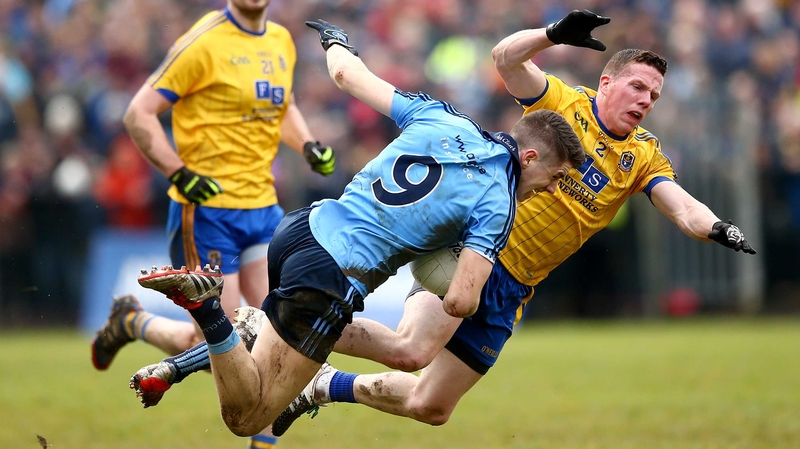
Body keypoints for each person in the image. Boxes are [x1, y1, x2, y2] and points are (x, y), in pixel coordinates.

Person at [260, 10, 756, 434]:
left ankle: (324, 385)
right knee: (410, 351)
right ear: (607, 83)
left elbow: (685, 208)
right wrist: (553, 34)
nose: (646, 100)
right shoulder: (561, 103)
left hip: (514, 288)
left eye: (654, 95)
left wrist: (719, 229)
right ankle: (280, 324)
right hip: (470, 255)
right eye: (638, 87)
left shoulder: (644, 155)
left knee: (431, 406)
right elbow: (504, 59)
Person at [133, 17, 585, 438]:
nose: (551, 190)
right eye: (556, 178)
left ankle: (212, 343)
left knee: (273, 362)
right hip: (334, 275)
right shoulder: (498, 202)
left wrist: (336, 43)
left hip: (302, 231)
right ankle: (210, 312)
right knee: (247, 418)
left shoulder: (443, 117)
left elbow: (347, 76)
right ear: (529, 158)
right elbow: (463, 299)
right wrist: (445, 264)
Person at [89, 1, 335, 448]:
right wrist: (178, 171)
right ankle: (134, 324)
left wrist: (308, 145)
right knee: (226, 341)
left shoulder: (280, 41)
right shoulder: (202, 42)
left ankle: (131, 323)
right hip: (205, 214)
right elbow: (138, 113)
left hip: (263, 208)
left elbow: (285, 106)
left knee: (274, 337)